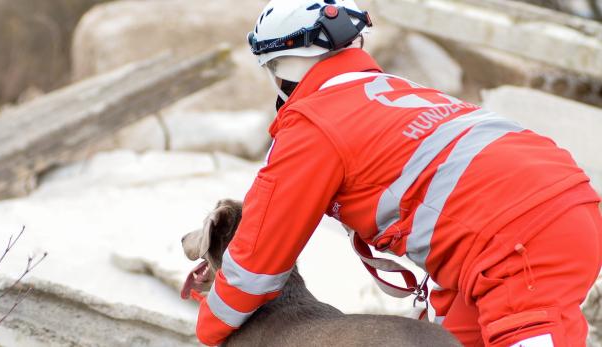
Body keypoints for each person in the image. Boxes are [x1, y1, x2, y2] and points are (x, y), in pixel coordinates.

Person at [193, 0, 602, 346]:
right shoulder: (396, 92)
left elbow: (256, 259)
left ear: (283, 64)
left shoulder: (314, 124)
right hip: (564, 208)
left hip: (518, 243)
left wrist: (210, 329)